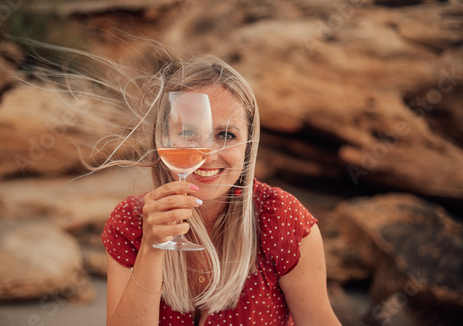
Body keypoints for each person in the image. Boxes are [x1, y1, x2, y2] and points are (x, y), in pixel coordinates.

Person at [101, 54, 341, 326]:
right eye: (189, 133)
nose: (208, 153)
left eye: (226, 135)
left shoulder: (282, 219)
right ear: (162, 137)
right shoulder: (130, 222)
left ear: (248, 146)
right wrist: (151, 250)